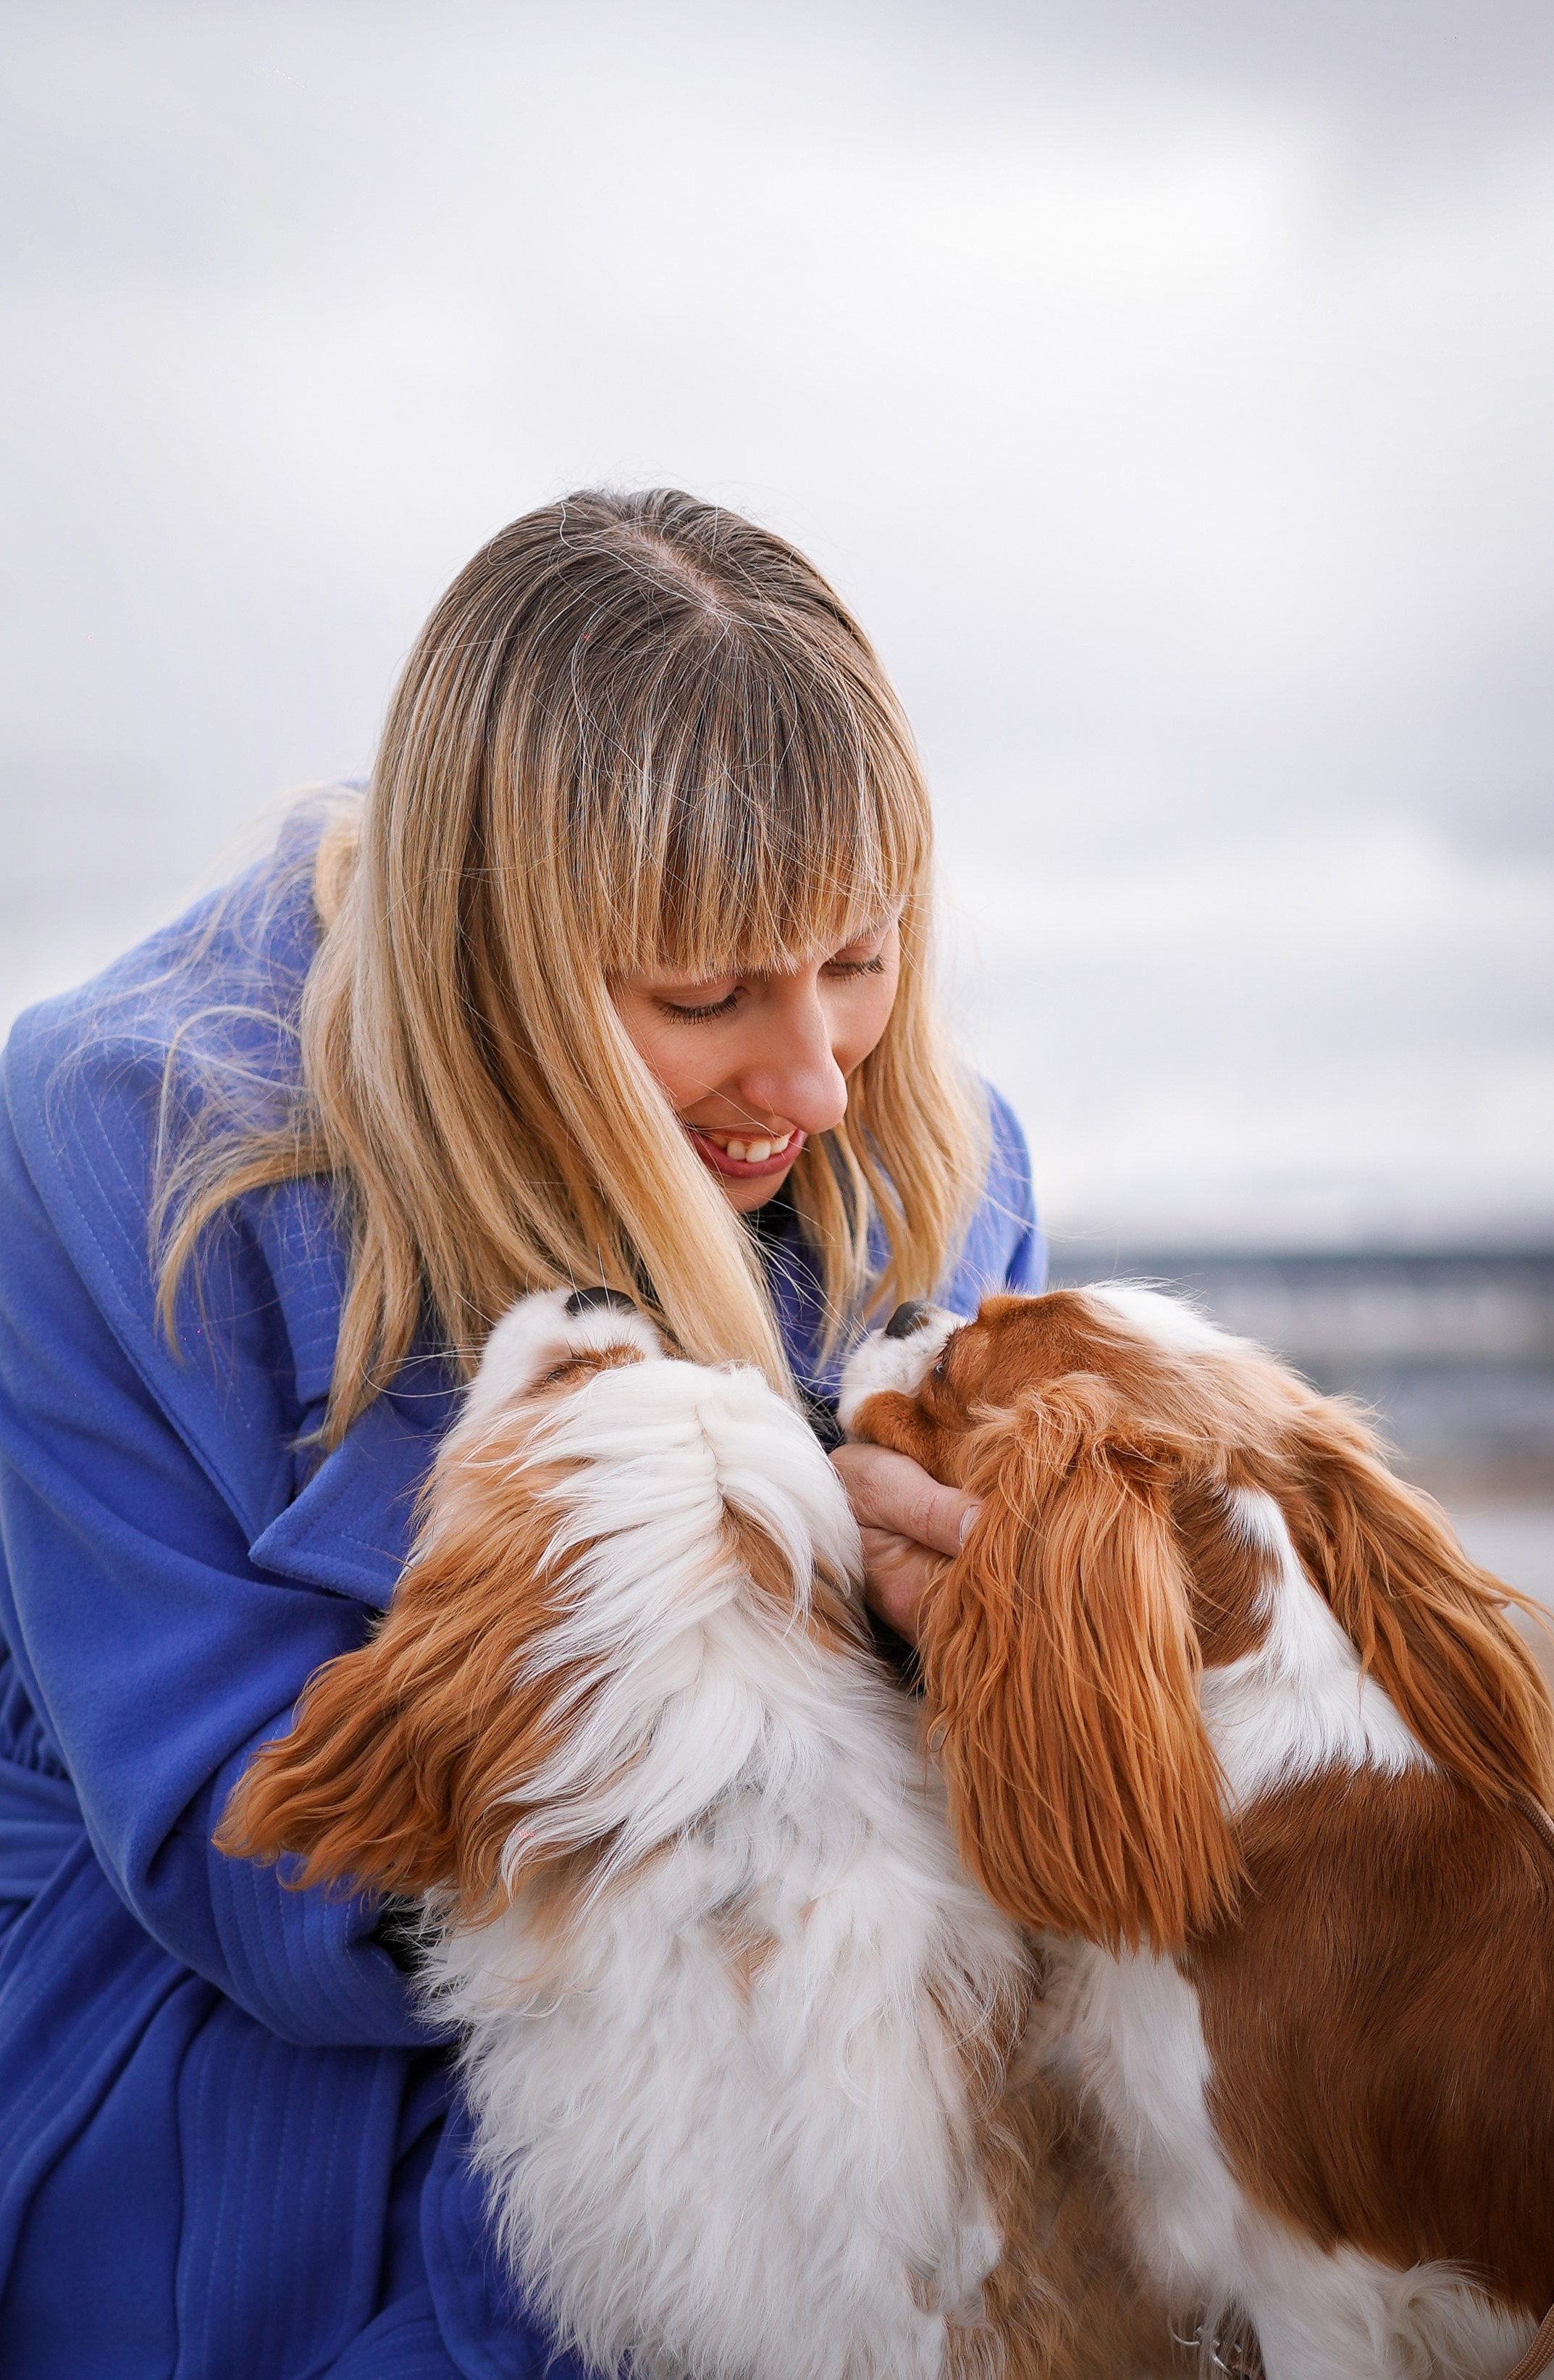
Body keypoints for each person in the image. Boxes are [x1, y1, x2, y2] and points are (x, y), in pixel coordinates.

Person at [0, 489, 1043, 2377]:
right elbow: (246, 1864)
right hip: (242, 2139)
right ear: (493, 963)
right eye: (702, 991)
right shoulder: (112, 1146)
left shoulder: (927, 1164)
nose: (811, 1074)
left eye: (862, 956)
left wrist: (1000, 1647)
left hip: (798, 2119)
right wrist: (804, 1706)